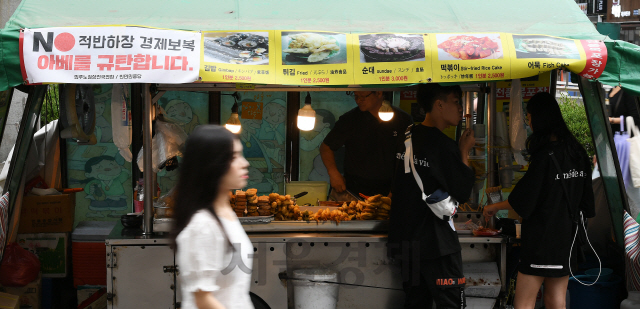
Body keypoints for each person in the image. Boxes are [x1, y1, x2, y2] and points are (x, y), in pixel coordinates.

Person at [483, 92, 595, 309]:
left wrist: (494, 207)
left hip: (542, 242)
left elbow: (523, 200)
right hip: (567, 241)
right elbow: (587, 204)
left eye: (529, 117)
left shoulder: (545, 156)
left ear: (539, 119)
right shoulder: (578, 153)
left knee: (523, 303)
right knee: (556, 300)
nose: (528, 122)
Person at [389, 84, 475, 308]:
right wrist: (464, 151)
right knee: (451, 304)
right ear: (439, 105)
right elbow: (463, 192)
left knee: (416, 303)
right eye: (456, 102)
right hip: (437, 245)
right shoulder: (445, 147)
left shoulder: (406, 138)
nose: (460, 108)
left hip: (405, 241)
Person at [170, 125, 254, 309]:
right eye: (234, 157)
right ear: (212, 164)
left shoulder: (226, 214)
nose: (244, 163)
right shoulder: (203, 225)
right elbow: (203, 301)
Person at [320, 91, 412, 196]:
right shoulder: (350, 119)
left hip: (390, 186)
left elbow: (409, 154)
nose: (358, 100)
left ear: (378, 93)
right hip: (355, 186)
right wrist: (333, 173)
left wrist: (400, 184)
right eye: (356, 96)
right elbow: (326, 147)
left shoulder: (402, 119)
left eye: (363, 96)